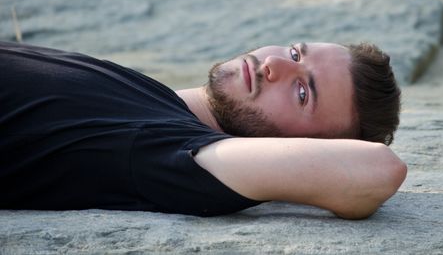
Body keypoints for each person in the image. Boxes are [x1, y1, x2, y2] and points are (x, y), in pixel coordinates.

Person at [0, 40, 406, 219]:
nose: (274, 65)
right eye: (296, 52)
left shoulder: (166, 150)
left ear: (301, 147)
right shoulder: (150, 96)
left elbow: (376, 171)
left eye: (301, 92)